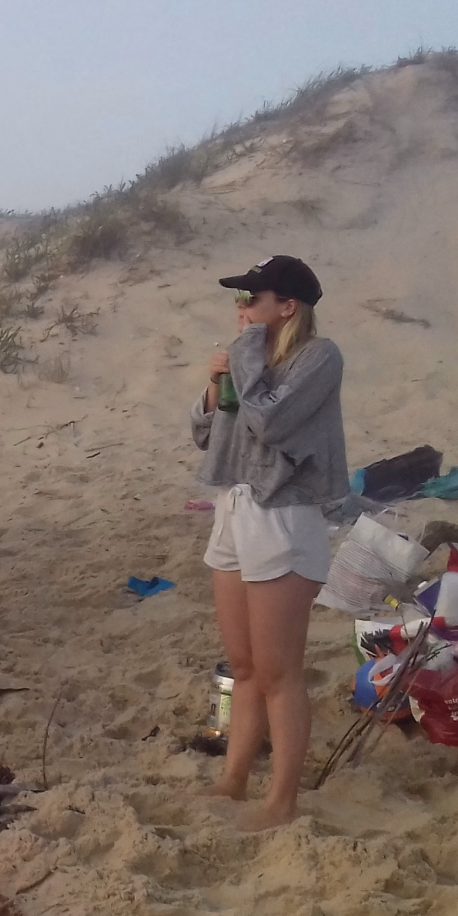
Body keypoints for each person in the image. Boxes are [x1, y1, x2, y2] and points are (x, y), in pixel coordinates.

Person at [191, 256, 345, 831]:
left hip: (284, 514)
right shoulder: (245, 361)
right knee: (244, 664)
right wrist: (214, 382)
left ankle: (282, 800)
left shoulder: (318, 357)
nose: (242, 308)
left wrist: (244, 358)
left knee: (280, 671)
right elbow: (206, 433)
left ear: (288, 307)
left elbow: (271, 425)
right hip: (234, 507)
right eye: (240, 298)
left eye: (253, 298)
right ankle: (232, 780)